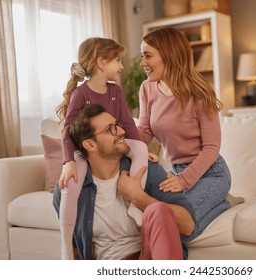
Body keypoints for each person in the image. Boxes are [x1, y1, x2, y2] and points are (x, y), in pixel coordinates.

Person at [53, 104, 195, 260]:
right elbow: (75, 248)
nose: (121, 132)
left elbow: (188, 225)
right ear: (90, 144)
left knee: (158, 210)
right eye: (110, 129)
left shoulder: (146, 170)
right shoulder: (70, 189)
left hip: (149, 259)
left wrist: (139, 197)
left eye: (117, 125)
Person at [55, 37, 150, 259]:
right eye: (117, 60)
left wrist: (138, 150)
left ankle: (134, 203)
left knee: (143, 150)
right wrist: (68, 162)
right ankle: (66, 246)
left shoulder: (115, 91)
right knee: (69, 185)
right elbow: (67, 131)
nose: (122, 66)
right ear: (101, 63)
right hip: (84, 150)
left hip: (114, 145)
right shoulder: (81, 94)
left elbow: (127, 124)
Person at [138, 27, 234, 242]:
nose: (142, 63)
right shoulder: (147, 88)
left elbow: (211, 147)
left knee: (178, 227)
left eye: (148, 55)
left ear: (169, 55)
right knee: (159, 222)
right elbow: (145, 131)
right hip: (175, 172)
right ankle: (221, 202)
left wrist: (184, 181)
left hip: (210, 173)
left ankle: (224, 201)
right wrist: (125, 144)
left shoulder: (200, 93)